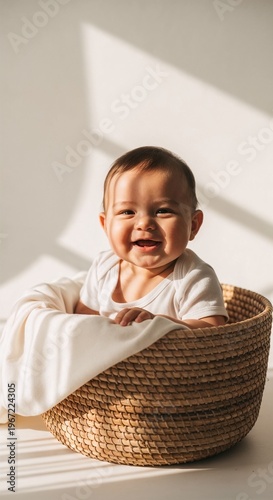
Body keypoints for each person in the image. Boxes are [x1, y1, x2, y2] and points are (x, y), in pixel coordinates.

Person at [75, 146, 228, 327]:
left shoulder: (193, 276)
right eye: (127, 212)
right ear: (105, 225)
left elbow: (214, 330)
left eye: (162, 211)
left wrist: (158, 324)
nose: (144, 223)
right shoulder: (104, 267)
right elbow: (82, 319)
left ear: (193, 225)